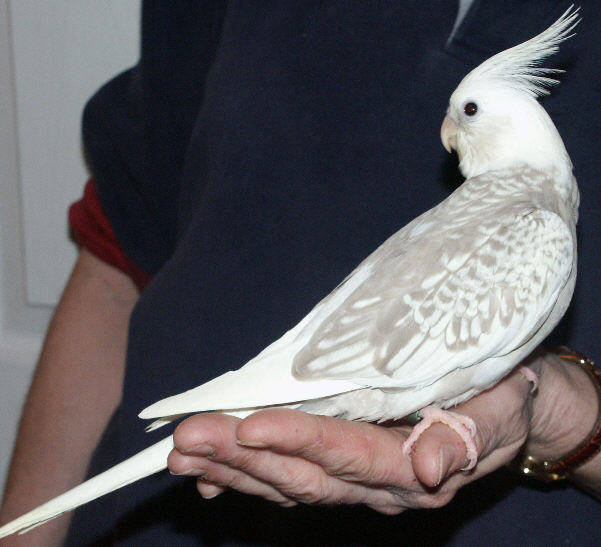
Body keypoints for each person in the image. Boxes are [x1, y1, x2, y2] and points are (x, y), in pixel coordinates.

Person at [1, 1, 600, 545]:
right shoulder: (529, 219)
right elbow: (117, 245)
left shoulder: (532, 227)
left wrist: (557, 414)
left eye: (466, 112)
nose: (448, 128)